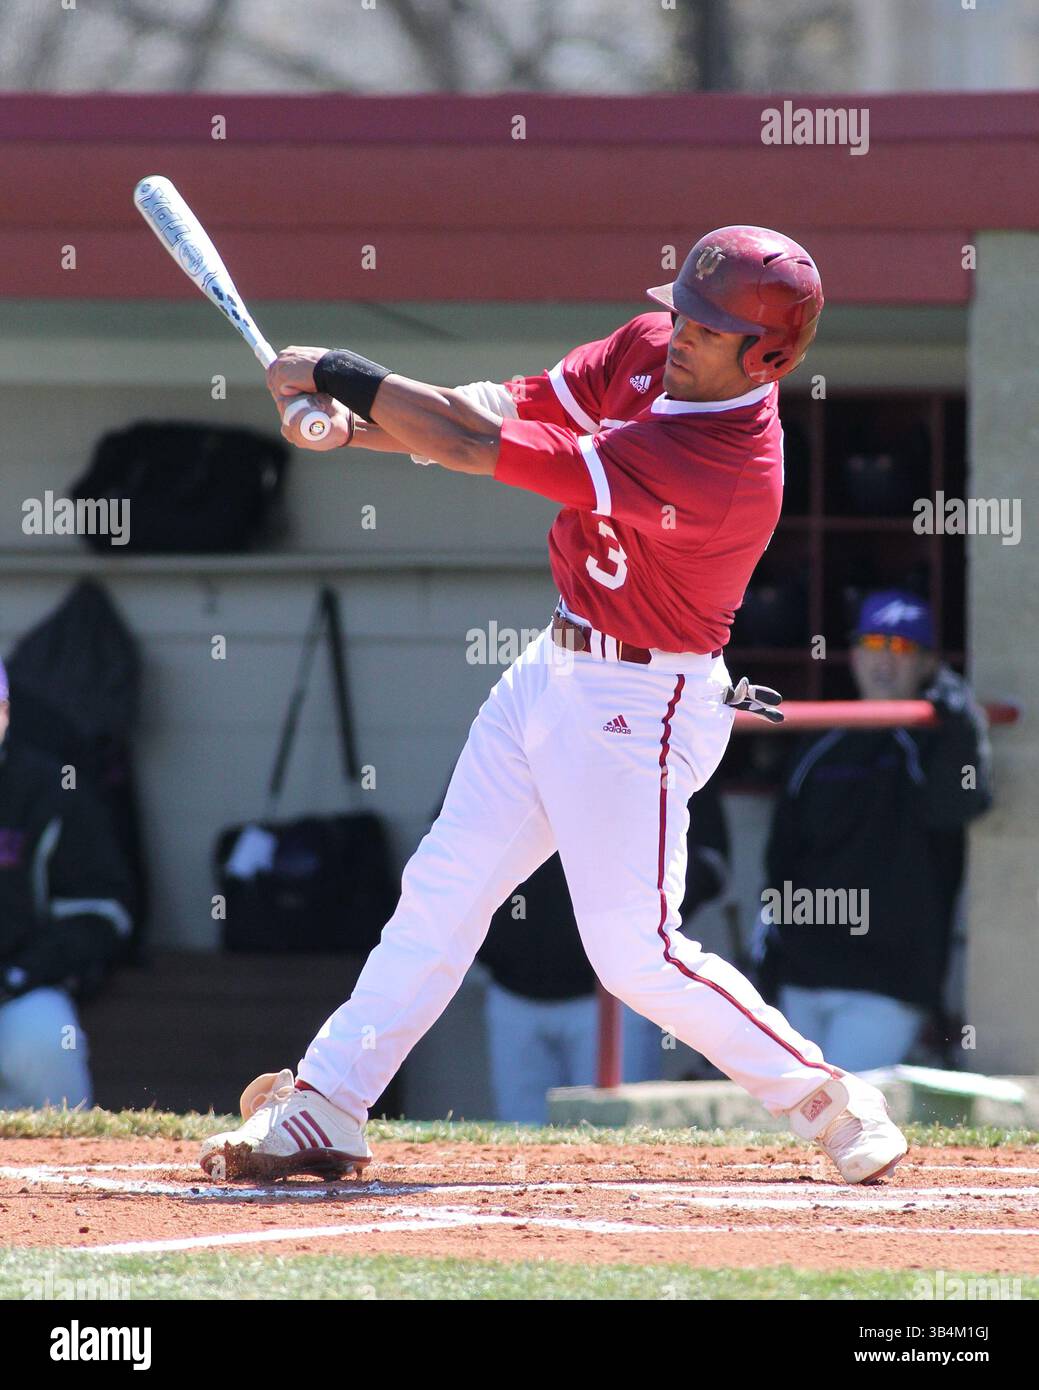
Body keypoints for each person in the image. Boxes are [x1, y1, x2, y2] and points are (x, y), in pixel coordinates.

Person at [201, 225, 909, 1186]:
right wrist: (351, 424)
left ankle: (831, 1100)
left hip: (642, 698)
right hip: (551, 664)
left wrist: (338, 370)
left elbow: (472, 443)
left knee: (634, 952)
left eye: (705, 328)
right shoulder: (649, 348)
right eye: (684, 314)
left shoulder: (728, 466)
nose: (678, 335)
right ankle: (326, 1103)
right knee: (441, 891)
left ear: (769, 354)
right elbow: (491, 409)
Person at [754, 591, 993, 1072]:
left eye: (902, 649)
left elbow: (959, 805)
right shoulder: (824, 737)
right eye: (874, 644)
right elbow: (781, 854)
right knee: (792, 1115)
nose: (884, 660)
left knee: (845, 1106)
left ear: (927, 662)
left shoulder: (932, 738)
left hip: (887, 982)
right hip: (805, 973)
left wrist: (960, 724)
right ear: (856, 653)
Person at [479, 781, 730, 1121]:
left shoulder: (649, 735)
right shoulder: (509, 734)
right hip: (512, 992)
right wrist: (496, 944)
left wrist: (638, 925)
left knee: (617, 1136)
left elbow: (711, 860)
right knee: (518, 1144)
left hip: (611, 996)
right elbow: (452, 852)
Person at [0, 659, 135, 1107]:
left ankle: (63, 1169)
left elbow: (101, 911)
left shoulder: (48, 787)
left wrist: (20, 972)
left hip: (15, 988)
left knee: (44, 1034)